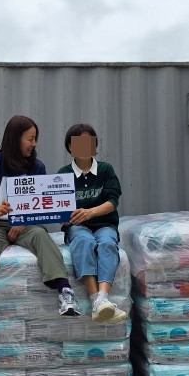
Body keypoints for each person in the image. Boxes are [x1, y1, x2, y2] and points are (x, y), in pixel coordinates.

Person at [0, 115, 80, 340]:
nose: (34, 144)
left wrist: (24, 221)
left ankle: (65, 292)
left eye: (35, 139)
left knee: (42, 237)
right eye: (30, 139)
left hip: (28, 223)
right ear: (15, 139)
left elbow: (42, 202)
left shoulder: (37, 167)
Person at [58, 123, 127, 324]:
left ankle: (102, 298)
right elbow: (58, 207)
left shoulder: (105, 169)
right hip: (77, 227)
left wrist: (90, 213)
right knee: (84, 242)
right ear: (70, 147)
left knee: (107, 243)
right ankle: (97, 301)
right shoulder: (63, 174)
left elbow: (112, 202)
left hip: (105, 224)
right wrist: (62, 217)